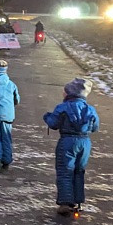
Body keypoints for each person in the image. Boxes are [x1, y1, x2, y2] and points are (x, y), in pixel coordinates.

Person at [43, 78, 100, 215]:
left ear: (70, 93)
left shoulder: (62, 107)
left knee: (65, 171)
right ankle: (78, 201)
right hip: (85, 142)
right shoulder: (90, 109)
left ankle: (65, 202)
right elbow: (95, 127)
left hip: (67, 141)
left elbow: (53, 124)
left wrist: (47, 116)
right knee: (79, 171)